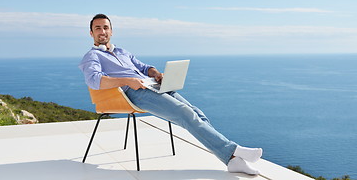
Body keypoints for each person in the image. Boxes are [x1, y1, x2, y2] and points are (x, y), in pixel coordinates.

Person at [79, 13, 263, 174]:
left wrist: (157, 74)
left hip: (150, 85)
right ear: (91, 33)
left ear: (111, 31)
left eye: (105, 28)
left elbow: (143, 67)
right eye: (98, 29)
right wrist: (127, 81)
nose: (102, 32)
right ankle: (234, 150)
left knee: (197, 112)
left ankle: (231, 160)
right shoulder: (92, 56)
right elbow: (95, 80)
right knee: (185, 113)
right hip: (131, 94)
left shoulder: (122, 51)